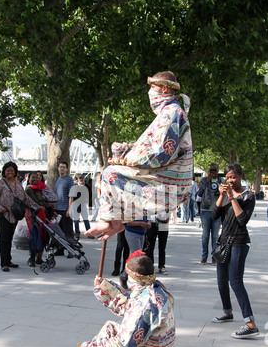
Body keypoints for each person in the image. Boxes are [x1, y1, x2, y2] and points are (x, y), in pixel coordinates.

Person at [85, 70, 193, 241]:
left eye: (153, 87)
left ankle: (108, 220)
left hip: (169, 178)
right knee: (115, 177)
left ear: (165, 89)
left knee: (110, 173)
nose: (150, 93)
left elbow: (160, 154)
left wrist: (124, 158)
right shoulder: (171, 112)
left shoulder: (171, 112)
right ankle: (115, 220)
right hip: (172, 178)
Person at [74, 251, 176, 347]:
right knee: (110, 327)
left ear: (133, 278)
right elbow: (128, 306)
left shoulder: (144, 305)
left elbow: (125, 346)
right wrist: (103, 287)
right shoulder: (154, 288)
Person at [211, 164, 259, 339]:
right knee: (221, 281)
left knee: (236, 281)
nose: (230, 180)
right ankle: (227, 312)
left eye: (233, 177)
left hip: (239, 242)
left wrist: (232, 198)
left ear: (240, 176)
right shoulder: (225, 194)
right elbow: (214, 215)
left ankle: (250, 323)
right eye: (227, 177)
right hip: (224, 241)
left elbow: (242, 220)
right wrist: (223, 195)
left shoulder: (248, 196)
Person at [0, 162, 42, 272]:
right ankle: (4, 263)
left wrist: (36, 206)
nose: (10, 172)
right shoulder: (0, 183)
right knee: (4, 238)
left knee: (9, 237)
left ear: (15, 172)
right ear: (4, 171)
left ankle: (8, 260)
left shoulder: (18, 184)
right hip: (3, 214)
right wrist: (0, 208)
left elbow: (25, 198)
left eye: (12, 170)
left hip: (14, 214)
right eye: (8, 170)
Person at [25, 172, 57, 266]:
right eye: (33, 177)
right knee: (35, 237)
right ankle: (31, 258)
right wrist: (47, 205)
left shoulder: (40, 188)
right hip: (34, 216)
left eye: (37, 177)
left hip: (44, 216)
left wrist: (51, 209)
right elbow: (35, 202)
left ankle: (39, 258)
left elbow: (49, 199)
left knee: (43, 236)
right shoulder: (29, 190)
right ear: (28, 179)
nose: (35, 179)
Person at [197, 164, 224, 265]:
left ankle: (214, 257)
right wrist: (206, 182)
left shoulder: (221, 182)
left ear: (218, 171)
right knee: (205, 235)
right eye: (211, 170)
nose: (213, 172)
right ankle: (204, 256)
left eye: (215, 170)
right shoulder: (204, 180)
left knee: (215, 236)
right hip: (205, 210)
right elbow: (199, 194)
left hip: (216, 211)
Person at [119, 214, 151, 289]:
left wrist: (149, 223)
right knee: (137, 257)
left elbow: (148, 217)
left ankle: (125, 275)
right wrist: (140, 224)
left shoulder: (144, 205)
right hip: (132, 233)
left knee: (136, 257)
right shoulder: (130, 206)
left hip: (142, 233)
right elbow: (127, 223)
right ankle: (130, 277)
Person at [54, 161, 74, 255]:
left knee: (68, 231)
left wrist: (69, 209)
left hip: (65, 209)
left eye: (64, 167)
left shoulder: (69, 180)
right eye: (61, 167)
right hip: (57, 209)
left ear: (66, 169)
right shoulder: (57, 180)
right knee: (59, 231)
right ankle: (60, 249)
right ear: (58, 168)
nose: (62, 168)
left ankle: (71, 250)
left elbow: (71, 195)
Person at [68, 174, 94, 239]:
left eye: (82, 178)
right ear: (78, 179)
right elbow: (72, 196)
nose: (81, 179)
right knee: (76, 219)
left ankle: (89, 232)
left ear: (84, 179)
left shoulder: (87, 186)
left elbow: (90, 195)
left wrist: (87, 202)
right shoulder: (75, 186)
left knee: (85, 219)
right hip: (76, 204)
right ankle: (77, 233)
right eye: (80, 178)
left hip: (83, 204)